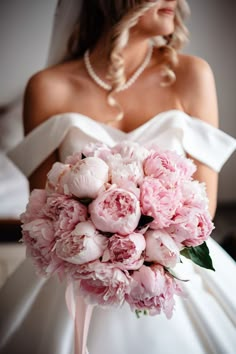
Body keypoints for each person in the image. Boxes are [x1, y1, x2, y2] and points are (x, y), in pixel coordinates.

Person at [1, 1, 236, 353]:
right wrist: (99, 249)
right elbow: (44, 210)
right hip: (78, 270)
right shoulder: (47, 87)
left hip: (175, 260)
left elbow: (205, 204)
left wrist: (143, 250)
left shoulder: (191, 74)